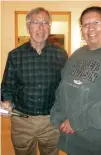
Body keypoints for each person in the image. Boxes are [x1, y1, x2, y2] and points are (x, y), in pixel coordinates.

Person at [1, 7, 68, 155]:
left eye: (45, 22)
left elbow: (65, 87)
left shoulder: (60, 54)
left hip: (51, 120)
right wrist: (6, 102)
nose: (41, 27)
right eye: (36, 22)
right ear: (28, 27)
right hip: (22, 121)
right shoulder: (15, 55)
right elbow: (7, 86)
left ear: (49, 27)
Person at [50, 6, 101, 155]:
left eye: (96, 23)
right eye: (85, 25)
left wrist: (76, 121)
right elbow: (63, 87)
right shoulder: (77, 54)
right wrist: (57, 114)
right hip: (73, 141)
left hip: (99, 145)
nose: (90, 28)